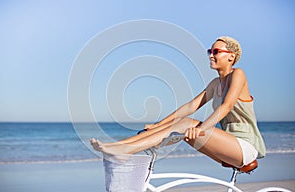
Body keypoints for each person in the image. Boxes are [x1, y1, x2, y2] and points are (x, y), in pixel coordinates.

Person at [90, 36, 266, 168]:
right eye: (209, 51)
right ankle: (120, 147)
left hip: (245, 147)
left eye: (216, 52)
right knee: (178, 124)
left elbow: (226, 106)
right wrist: (158, 125)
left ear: (231, 57)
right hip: (227, 144)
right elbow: (190, 107)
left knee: (186, 124)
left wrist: (200, 130)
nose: (211, 55)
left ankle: (126, 151)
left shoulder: (238, 74)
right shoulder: (215, 84)